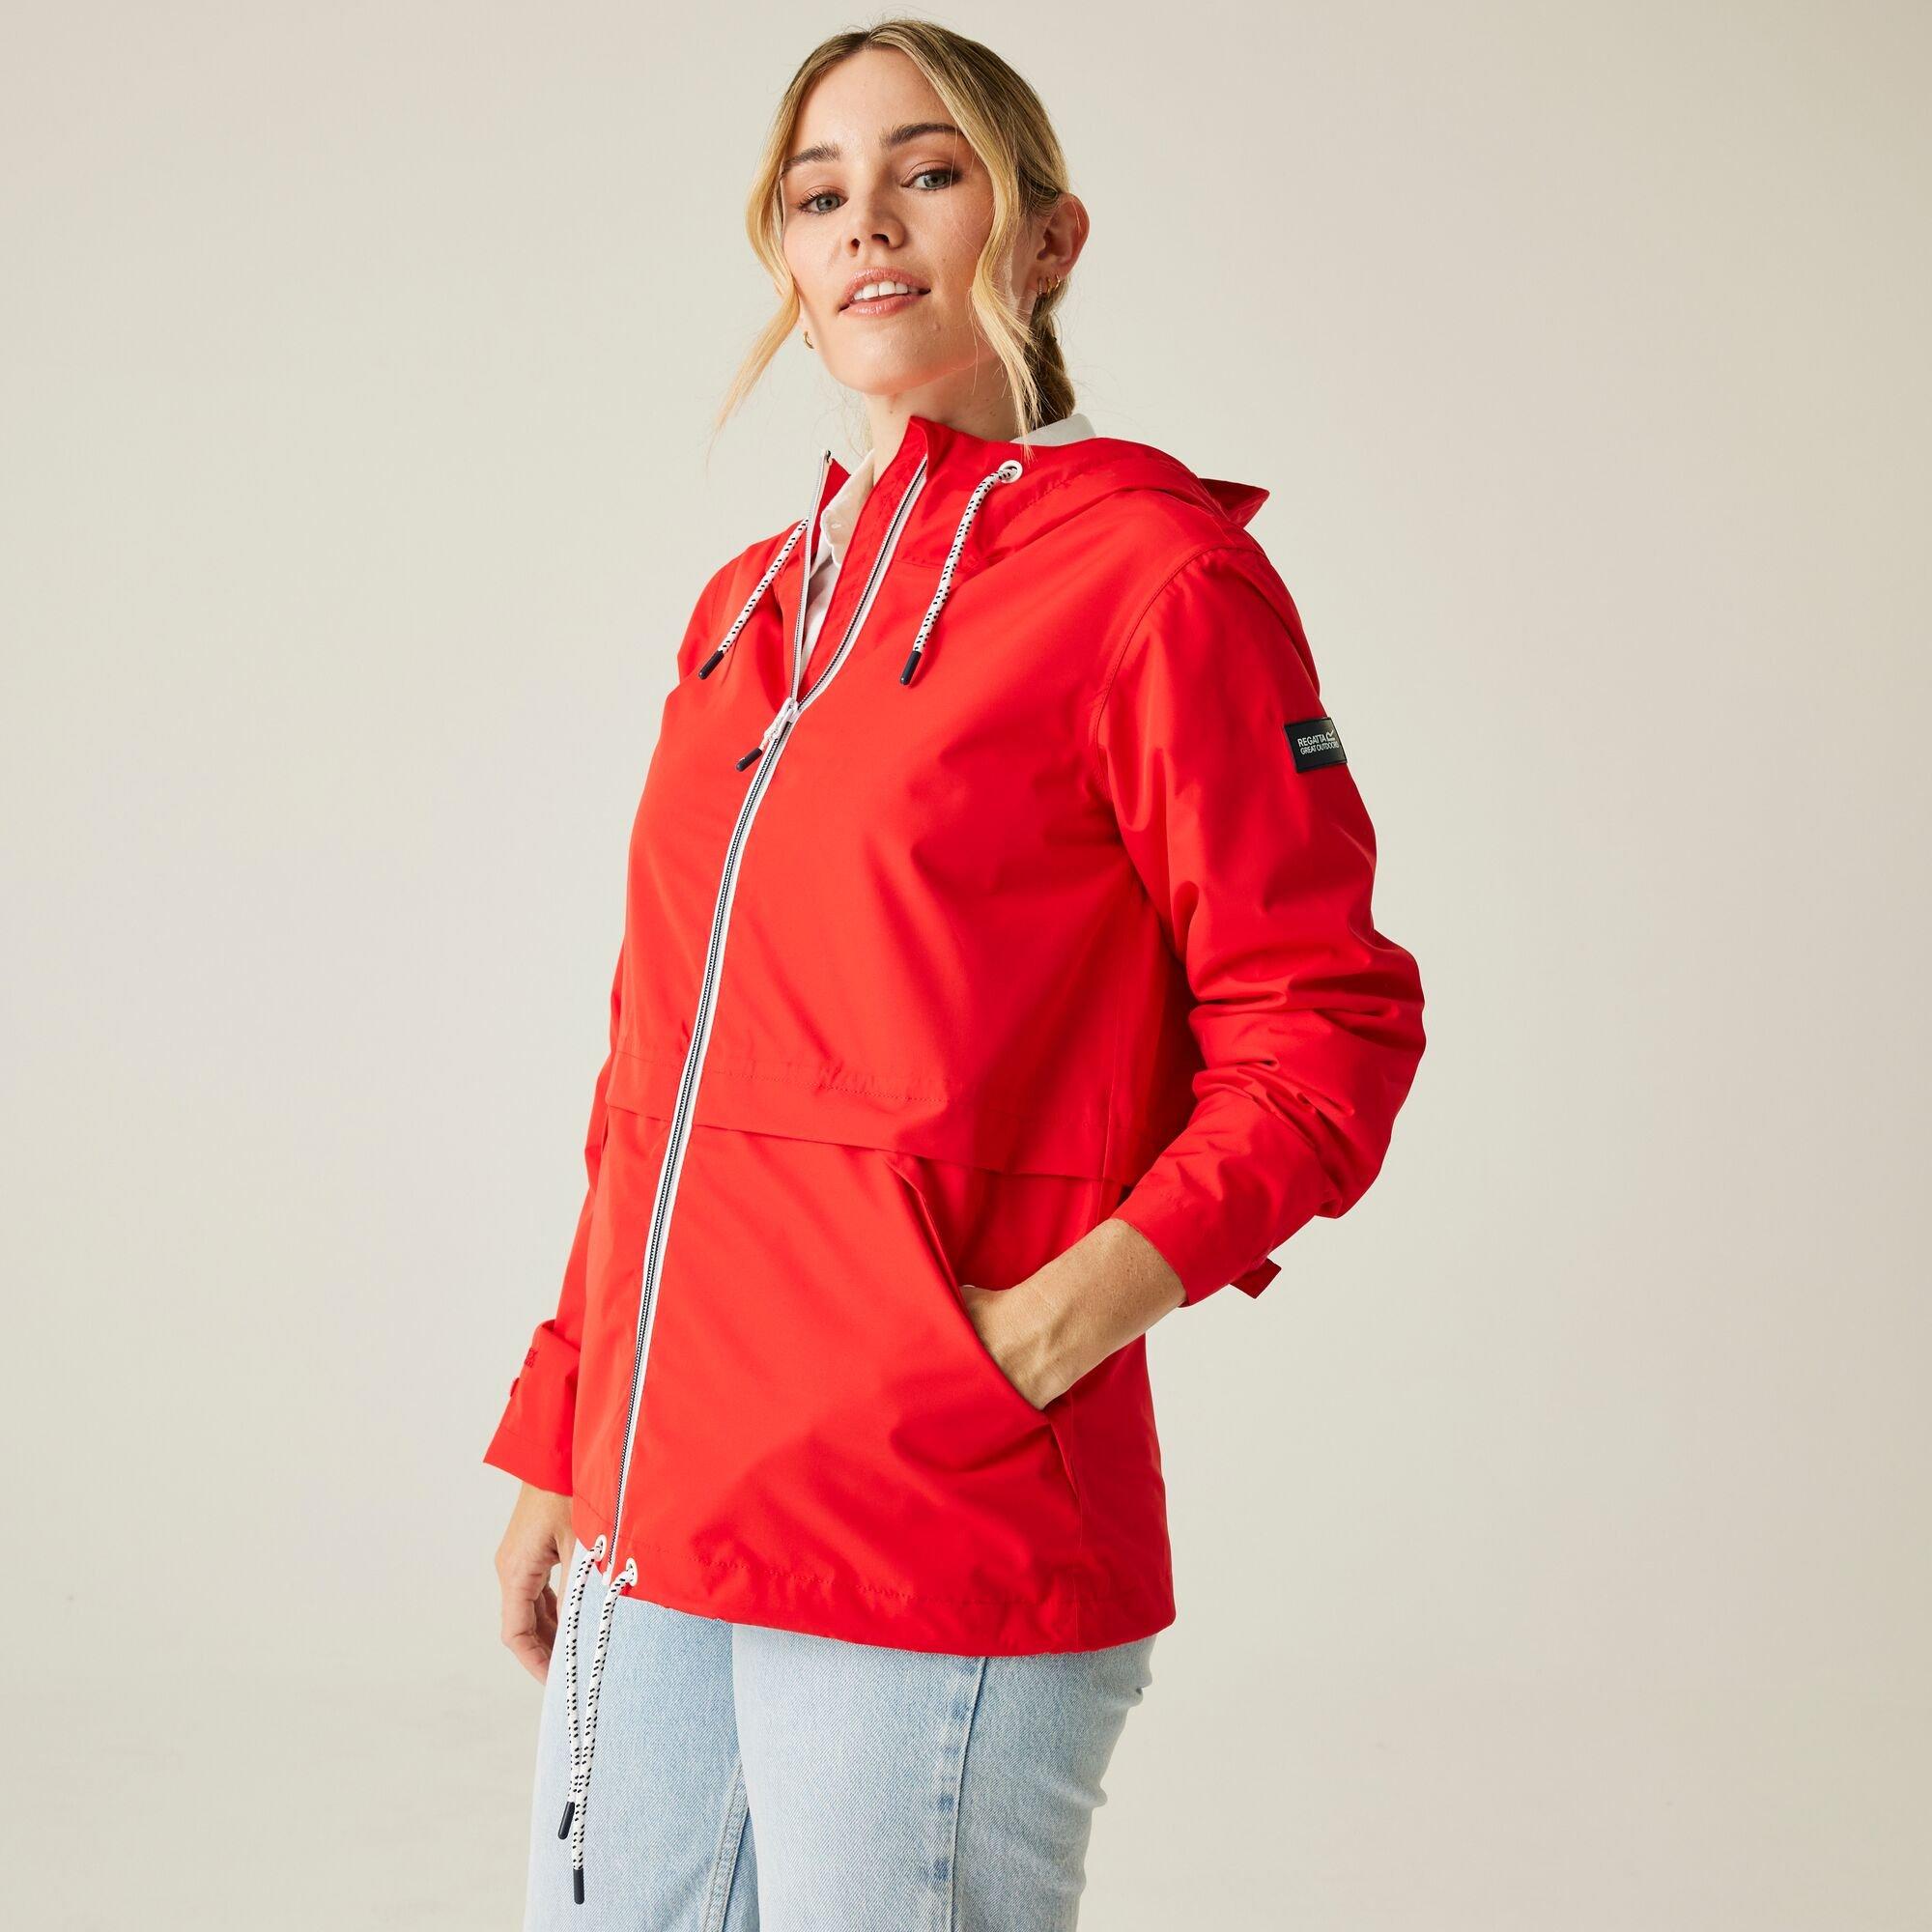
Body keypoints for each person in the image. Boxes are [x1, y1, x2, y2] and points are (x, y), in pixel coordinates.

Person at [482, 20, 1427, 1928]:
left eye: (927, 173)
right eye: (816, 194)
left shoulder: (1152, 580)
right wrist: (566, 1425)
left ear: (1048, 236)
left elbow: (1323, 1029)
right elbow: (661, 1071)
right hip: (662, 1498)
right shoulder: (749, 612)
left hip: (940, 1506)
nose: (866, 225)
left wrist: (1045, 1334)